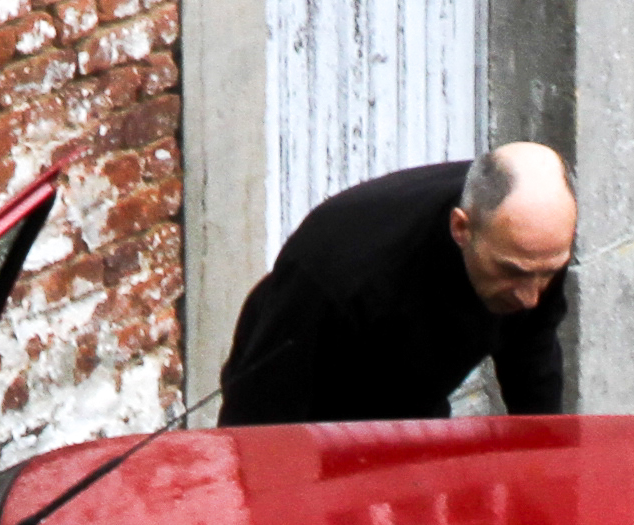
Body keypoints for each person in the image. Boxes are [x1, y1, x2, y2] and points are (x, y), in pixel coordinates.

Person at [215, 145, 578, 425]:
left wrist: (546, 473)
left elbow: (533, 366)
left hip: (416, 401)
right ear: (461, 228)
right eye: (512, 272)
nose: (530, 298)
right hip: (310, 402)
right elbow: (258, 424)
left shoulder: (532, 243)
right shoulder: (336, 275)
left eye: (547, 273)